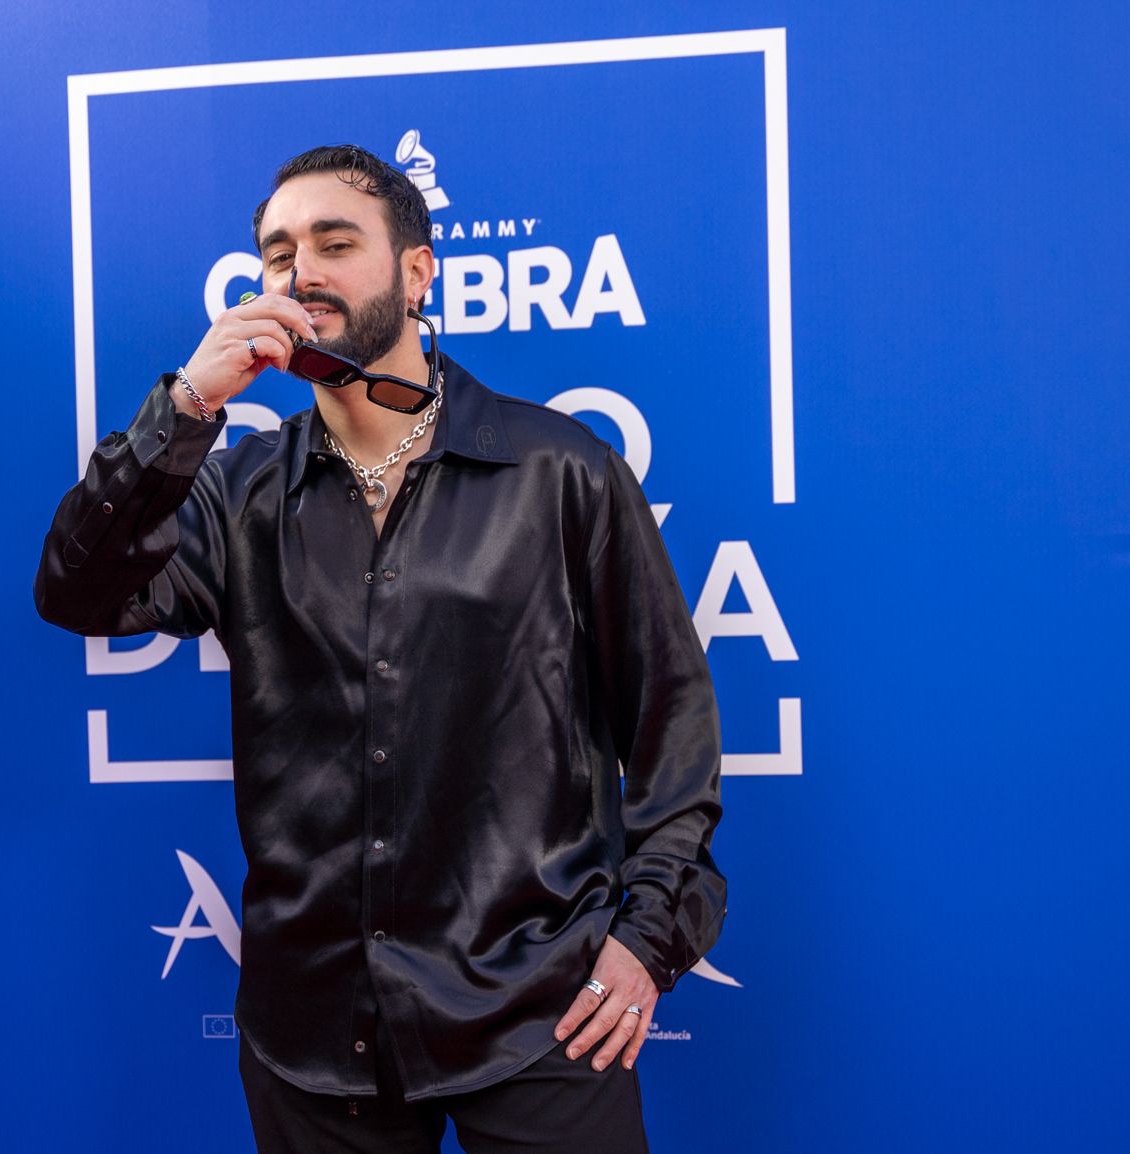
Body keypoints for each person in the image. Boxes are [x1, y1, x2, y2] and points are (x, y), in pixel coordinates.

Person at [36, 144, 725, 1153]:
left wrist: (645, 938)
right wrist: (184, 409)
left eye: (334, 240)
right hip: (315, 1030)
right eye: (277, 251)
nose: (298, 269)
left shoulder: (559, 469)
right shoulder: (236, 490)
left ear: (416, 270)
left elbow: (672, 720)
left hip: (535, 1009)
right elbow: (78, 591)